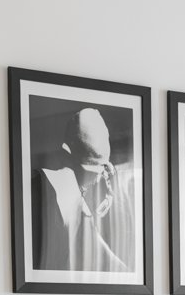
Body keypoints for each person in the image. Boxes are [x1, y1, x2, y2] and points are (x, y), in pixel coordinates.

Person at [31, 108, 135, 273]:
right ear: (67, 154)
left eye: (105, 168)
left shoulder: (77, 197)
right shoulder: (40, 189)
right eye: (94, 168)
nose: (99, 176)